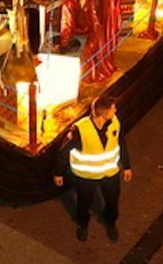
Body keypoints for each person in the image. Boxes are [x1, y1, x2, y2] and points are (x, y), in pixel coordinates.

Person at [55, 96, 132, 242]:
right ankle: (83, 225)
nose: (115, 110)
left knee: (112, 201)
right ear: (104, 113)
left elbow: (120, 142)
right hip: (86, 176)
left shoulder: (114, 122)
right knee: (84, 203)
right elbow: (63, 152)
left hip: (110, 173)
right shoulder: (80, 129)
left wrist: (126, 166)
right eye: (112, 108)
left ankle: (110, 223)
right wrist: (58, 173)